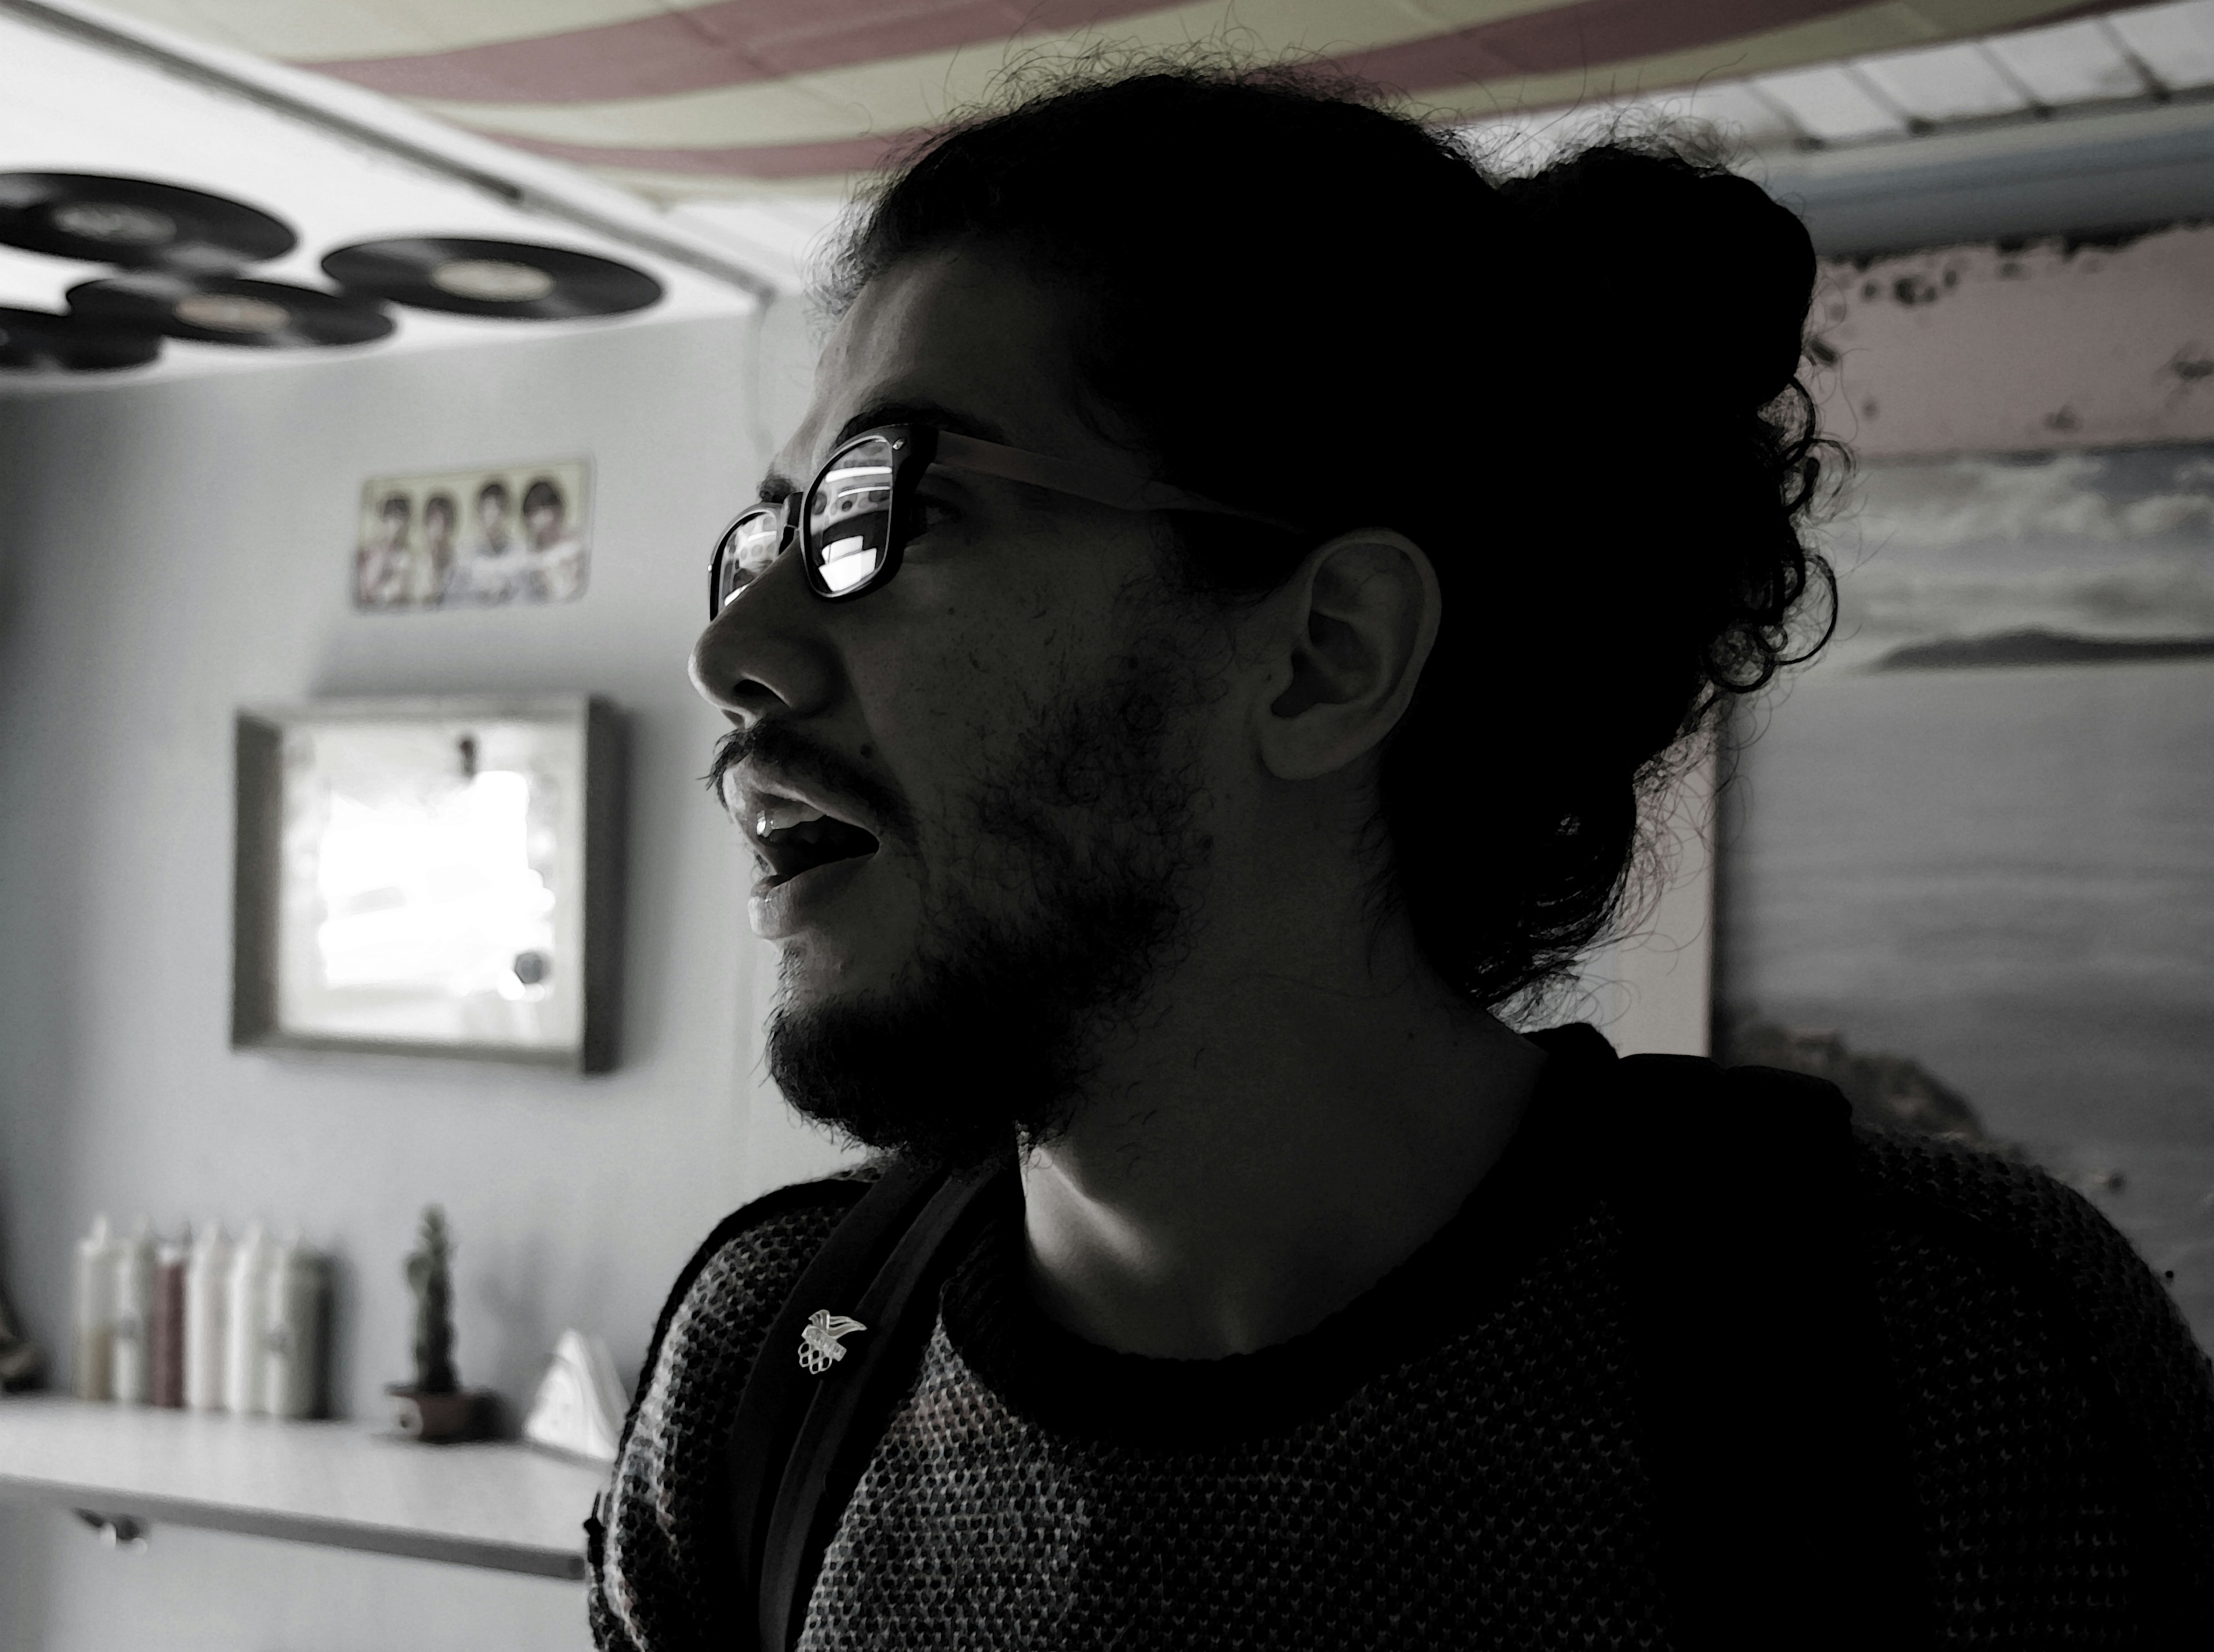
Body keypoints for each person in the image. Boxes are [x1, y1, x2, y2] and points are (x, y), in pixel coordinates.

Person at [592, 64, 2214, 1650]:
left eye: (887, 510)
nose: (731, 649)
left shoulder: (1934, 1369)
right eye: (776, 536)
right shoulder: (766, 1372)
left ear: (1324, 656)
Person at [446, 478, 524, 604]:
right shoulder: (464, 558)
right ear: (478, 513)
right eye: (487, 510)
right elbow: (453, 602)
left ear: (506, 514)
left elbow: (526, 600)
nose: (492, 517)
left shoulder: (520, 555)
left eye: (498, 510)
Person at [520, 474, 588, 602]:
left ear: (558, 510)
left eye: (544, 510)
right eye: (532, 512)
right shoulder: (526, 553)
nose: (539, 518)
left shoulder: (575, 547)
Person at [354, 491, 413, 608]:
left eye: (401, 519)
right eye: (392, 518)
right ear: (383, 520)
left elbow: (398, 593)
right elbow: (365, 591)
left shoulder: (404, 556)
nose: (397, 525)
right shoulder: (368, 552)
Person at [413, 490, 458, 606]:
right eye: (435, 522)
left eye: (445, 522)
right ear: (426, 524)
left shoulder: (458, 561)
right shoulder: (415, 563)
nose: (440, 529)